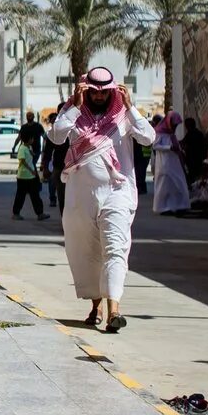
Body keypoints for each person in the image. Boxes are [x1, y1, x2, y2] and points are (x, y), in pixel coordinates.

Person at [47, 67, 155, 333]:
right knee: (88, 253)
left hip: (117, 193)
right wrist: (74, 105)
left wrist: (130, 108)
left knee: (115, 249)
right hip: (80, 197)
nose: (98, 97)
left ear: (112, 91)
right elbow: (57, 135)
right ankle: (95, 306)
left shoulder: (123, 115)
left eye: (103, 92)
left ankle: (114, 310)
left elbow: (148, 137)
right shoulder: (73, 114)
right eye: (93, 92)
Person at [152, 112, 192, 215]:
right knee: (165, 186)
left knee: (179, 183)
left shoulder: (171, 134)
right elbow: (155, 146)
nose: (175, 127)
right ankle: (163, 207)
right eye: (174, 124)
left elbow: (175, 145)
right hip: (164, 163)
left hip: (174, 163)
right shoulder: (159, 133)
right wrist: (169, 148)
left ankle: (180, 205)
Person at [10, 124, 46, 220]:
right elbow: (22, 162)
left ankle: (40, 213)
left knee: (35, 195)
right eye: (32, 139)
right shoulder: (22, 148)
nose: (33, 140)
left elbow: (30, 159)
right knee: (20, 196)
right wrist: (32, 171)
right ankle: (16, 213)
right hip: (23, 176)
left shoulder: (29, 148)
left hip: (31, 176)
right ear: (28, 139)